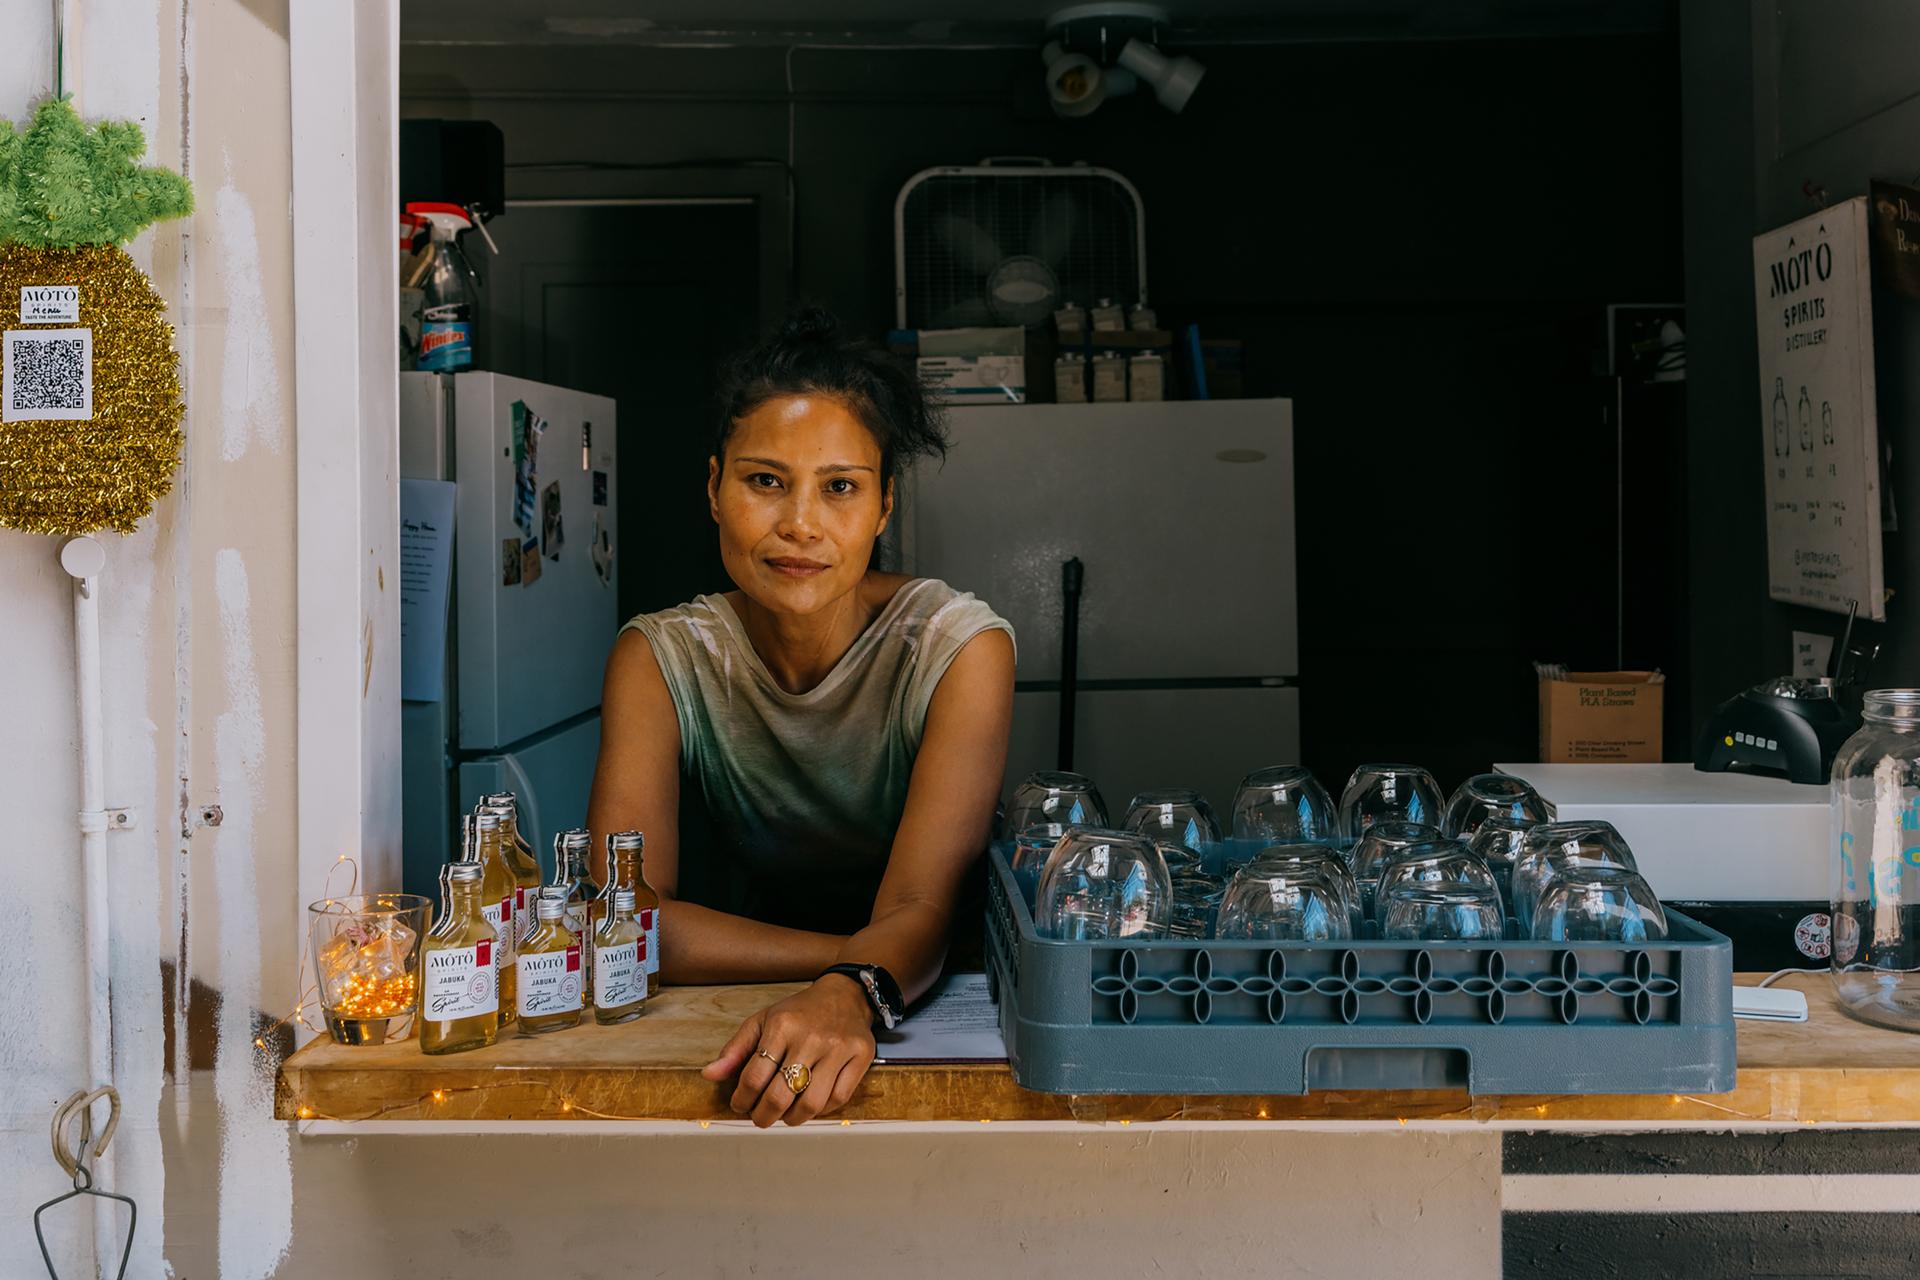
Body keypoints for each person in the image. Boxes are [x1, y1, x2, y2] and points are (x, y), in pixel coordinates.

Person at [587, 308, 1015, 1128]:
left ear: (885, 507)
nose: (800, 524)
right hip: (805, 990)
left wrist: (853, 991)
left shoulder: (959, 648)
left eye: (841, 487)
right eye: (765, 480)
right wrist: (846, 970)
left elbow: (922, 905)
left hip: (942, 1001)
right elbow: (622, 919)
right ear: (713, 488)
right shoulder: (662, 656)